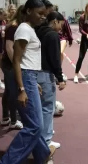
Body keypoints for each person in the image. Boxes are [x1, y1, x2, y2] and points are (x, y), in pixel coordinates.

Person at [0, 0, 55, 164]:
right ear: (29, 11)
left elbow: (25, 61)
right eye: (40, 13)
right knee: (34, 126)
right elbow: (16, 60)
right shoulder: (24, 29)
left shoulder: (29, 29)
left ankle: (43, 156)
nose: (43, 17)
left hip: (29, 78)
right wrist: (22, 88)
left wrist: (32, 82)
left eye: (45, 14)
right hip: (25, 79)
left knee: (33, 124)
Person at [36, 11, 66, 149]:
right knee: (48, 108)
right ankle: (46, 141)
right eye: (60, 24)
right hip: (45, 74)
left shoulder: (37, 30)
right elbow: (55, 58)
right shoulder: (52, 35)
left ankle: (37, 138)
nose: (61, 28)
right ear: (54, 21)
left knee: (38, 108)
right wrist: (60, 78)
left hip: (33, 73)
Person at [0, 5, 25, 129]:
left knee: (9, 91)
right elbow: (9, 48)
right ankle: (14, 121)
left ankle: (6, 117)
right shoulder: (14, 27)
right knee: (13, 92)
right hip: (9, 64)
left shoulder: (17, 26)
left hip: (8, 63)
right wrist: (16, 64)